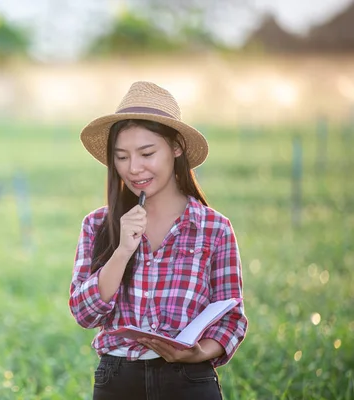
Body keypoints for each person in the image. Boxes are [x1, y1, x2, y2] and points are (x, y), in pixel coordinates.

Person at [69, 81, 248, 400]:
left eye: (147, 153)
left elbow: (231, 318)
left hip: (190, 379)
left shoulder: (214, 228)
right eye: (121, 157)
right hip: (117, 378)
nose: (133, 168)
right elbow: (84, 313)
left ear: (176, 147)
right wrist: (123, 250)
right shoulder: (97, 224)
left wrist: (194, 354)